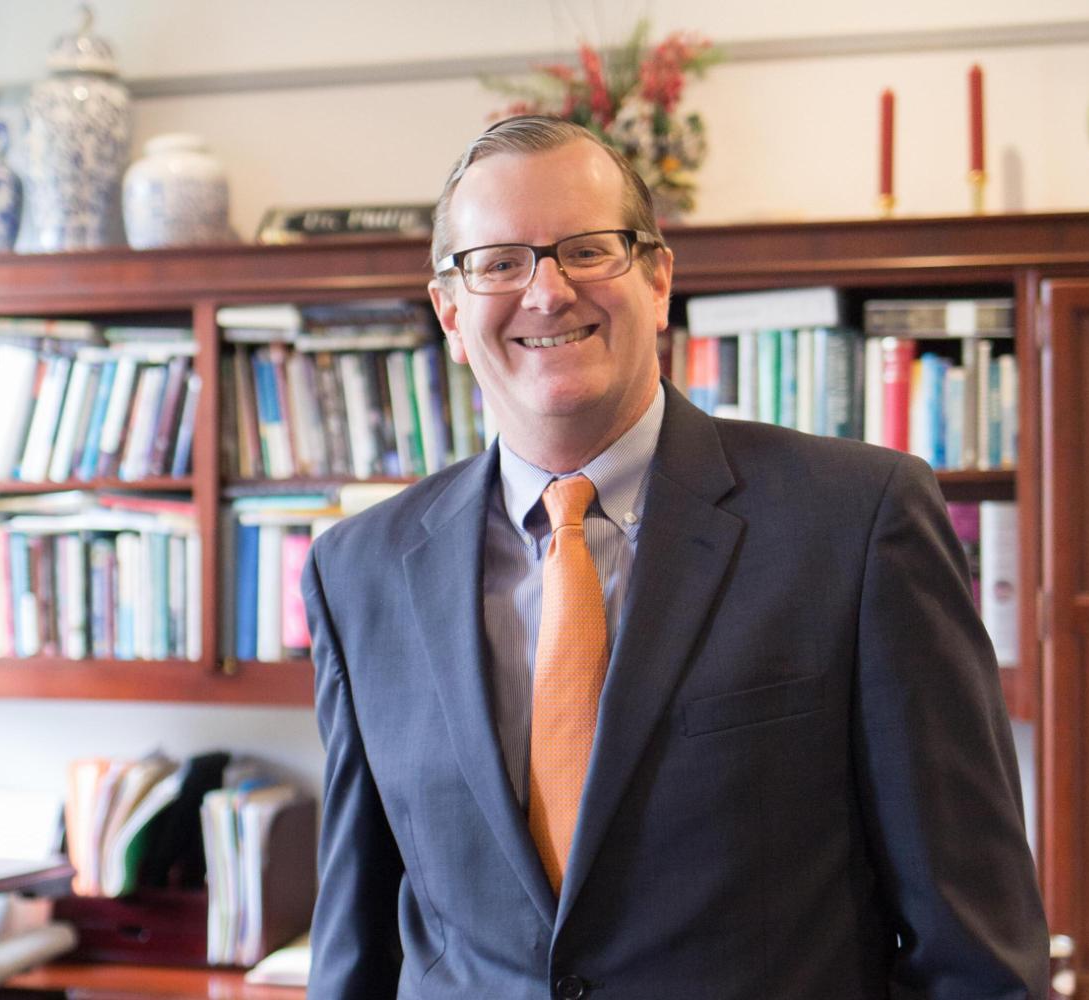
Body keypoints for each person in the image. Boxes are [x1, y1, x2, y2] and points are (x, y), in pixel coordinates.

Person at [300, 115, 1048, 1000]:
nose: (546, 292)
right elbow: (354, 946)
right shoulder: (359, 573)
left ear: (658, 281)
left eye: (587, 249)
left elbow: (975, 954)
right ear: (451, 313)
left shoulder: (858, 522)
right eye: (499, 262)